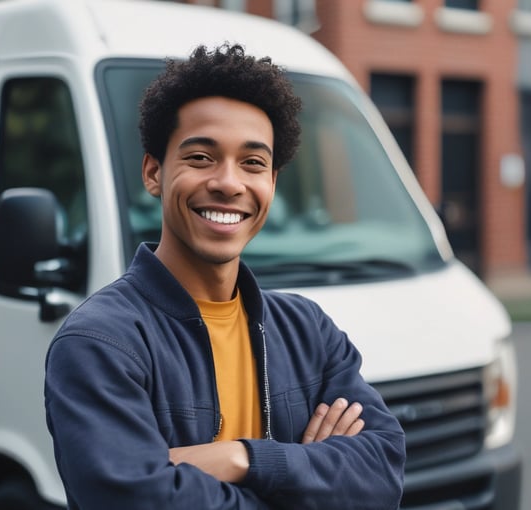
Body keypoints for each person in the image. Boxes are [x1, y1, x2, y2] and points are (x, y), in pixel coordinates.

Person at [44, 43, 405, 509]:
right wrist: (308, 478)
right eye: (200, 157)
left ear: (271, 183)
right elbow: (135, 500)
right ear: (154, 172)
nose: (229, 183)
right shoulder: (100, 342)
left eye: (253, 163)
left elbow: (381, 474)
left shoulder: (307, 329)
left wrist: (243, 458)